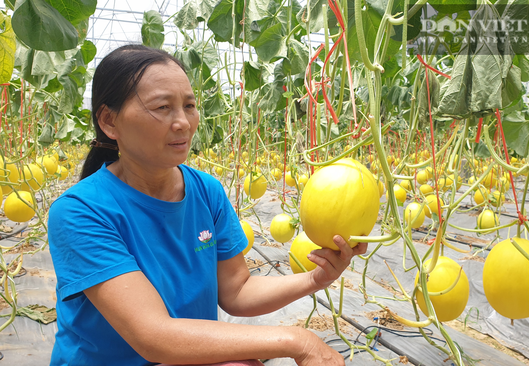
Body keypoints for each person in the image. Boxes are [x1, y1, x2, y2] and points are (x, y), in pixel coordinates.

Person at [48, 45, 367, 366]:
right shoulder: (79, 211)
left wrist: (315, 279)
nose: (183, 122)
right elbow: (154, 336)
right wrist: (297, 340)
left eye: (189, 105)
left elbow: (236, 291)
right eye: (162, 107)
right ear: (109, 121)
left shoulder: (206, 190)